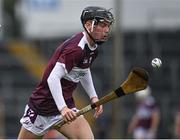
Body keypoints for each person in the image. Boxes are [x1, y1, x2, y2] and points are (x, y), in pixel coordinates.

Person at [18, 6, 114, 139]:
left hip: (66, 106)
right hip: (42, 109)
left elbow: (83, 70)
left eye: (108, 26)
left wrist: (93, 97)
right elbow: (52, 78)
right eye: (103, 25)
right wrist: (62, 108)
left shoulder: (93, 48)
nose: (107, 30)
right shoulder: (76, 49)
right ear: (88, 25)